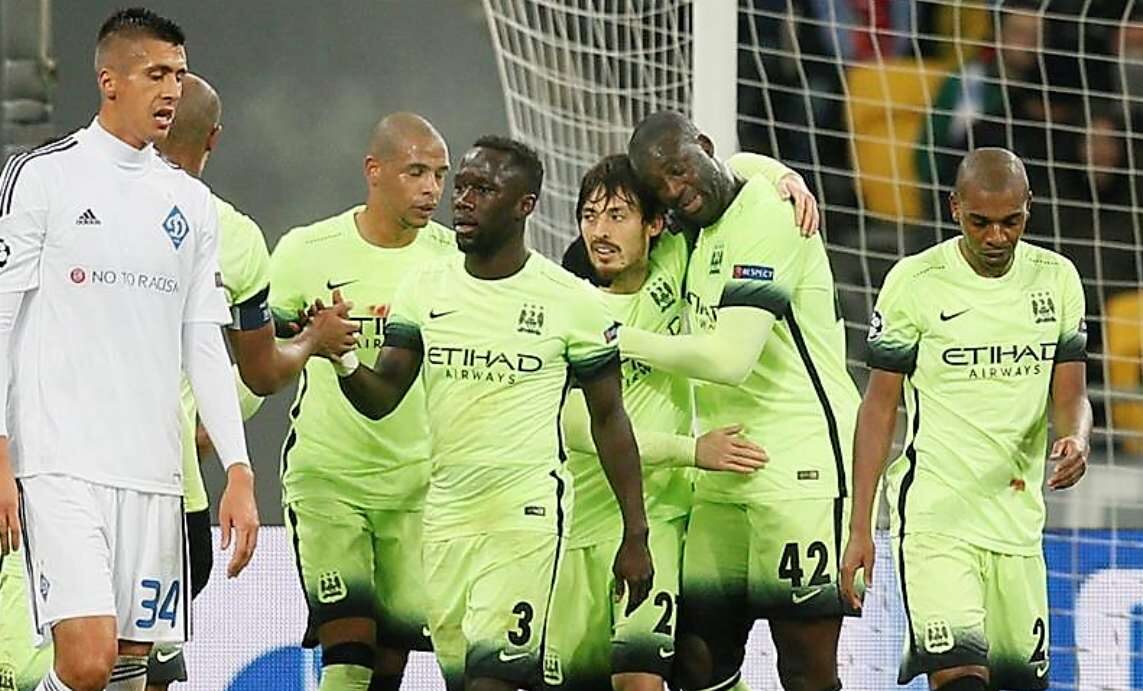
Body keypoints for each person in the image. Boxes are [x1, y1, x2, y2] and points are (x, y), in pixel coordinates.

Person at [0, 8, 259, 691]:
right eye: (155, 74)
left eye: (179, 74)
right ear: (109, 80)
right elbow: (1, 319)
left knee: (129, 664)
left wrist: (238, 468)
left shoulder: (189, 204)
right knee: (86, 660)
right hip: (61, 464)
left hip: (154, 473)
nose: (171, 90)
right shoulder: (44, 177)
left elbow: (203, 340)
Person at [337, 136, 654, 691]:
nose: (462, 200)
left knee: (494, 682)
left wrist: (636, 532)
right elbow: (382, 396)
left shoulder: (569, 299)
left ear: (524, 205)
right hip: (446, 519)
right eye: (462, 187)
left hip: (524, 517)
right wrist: (340, 356)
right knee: (465, 681)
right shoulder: (424, 286)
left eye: (483, 189)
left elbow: (610, 419)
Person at [550, 151, 821, 691]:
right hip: (575, 527)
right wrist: (691, 450)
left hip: (661, 518)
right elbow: (574, 428)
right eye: (589, 216)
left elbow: (718, 168)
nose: (600, 232)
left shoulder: (677, 264)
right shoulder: (565, 305)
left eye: (617, 216)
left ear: (654, 225)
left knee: (643, 681)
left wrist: (780, 175)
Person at [622, 111, 861, 691]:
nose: (676, 189)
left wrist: (615, 339)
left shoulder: (770, 215)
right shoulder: (693, 228)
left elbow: (731, 360)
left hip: (798, 469)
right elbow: (736, 169)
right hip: (722, 469)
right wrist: (770, 167)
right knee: (696, 660)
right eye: (661, 186)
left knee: (803, 667)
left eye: (680, 169)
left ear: (704, 147)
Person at [840, 148, 1091, 691]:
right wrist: (860, 526)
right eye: (981, 222)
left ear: (1029, 207)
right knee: (961, 681)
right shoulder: (915, 282)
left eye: (1011, 222)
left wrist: (1076, 436)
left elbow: (1072, 392)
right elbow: (879, 406)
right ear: (954, 207)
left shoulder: (1058, 279)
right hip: (936, 520)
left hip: (1017, 524)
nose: (997, 236)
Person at [269, 112, 454, 691]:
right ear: (374, 171)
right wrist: (310, 340)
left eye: (440, 175)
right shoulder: (306, 251)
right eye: (416, 172)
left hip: (415, 487)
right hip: (330, 480)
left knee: (387, 669)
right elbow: (260, 355)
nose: (431, 189)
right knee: (348, 658)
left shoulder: (452, 261)